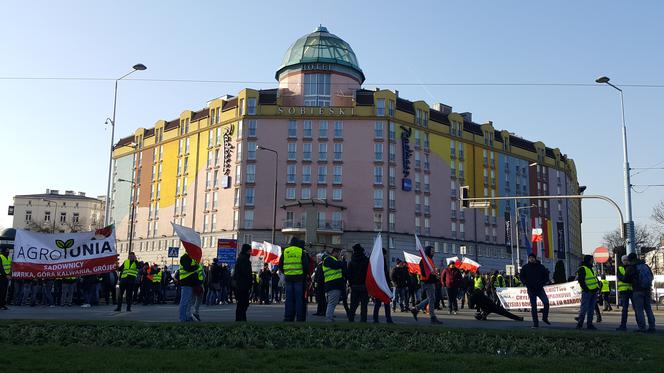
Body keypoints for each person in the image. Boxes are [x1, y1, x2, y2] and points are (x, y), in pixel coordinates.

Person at [622, 252, 656, 333]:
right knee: (648, 309)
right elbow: (651, 276)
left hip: (637, 290)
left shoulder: (632, 267)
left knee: (639, 309)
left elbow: (626, 279)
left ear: (630, 259)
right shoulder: (645, 265)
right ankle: (652, 326)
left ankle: (642, 327)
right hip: (647, 289)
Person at [279, 237, 309, 322]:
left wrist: (286, 272)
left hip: (288, 278)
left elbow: (280, 265)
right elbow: (306, 266)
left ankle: (288, 317)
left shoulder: (285, 251)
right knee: (299, 299)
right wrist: (303, 275)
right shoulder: (301, 251)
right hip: (299, 278)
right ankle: (299, 318)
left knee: (289, 299)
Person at [411, 246, 442, 324]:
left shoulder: (430, 260)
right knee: (432, 299)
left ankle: (416, 308)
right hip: (427, 282)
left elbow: (431, 271)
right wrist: (433, 276)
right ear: (428, 251)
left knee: (431, 298)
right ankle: (432, 317)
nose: (433, 252)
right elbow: (424, 272)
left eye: (433, 251)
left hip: (430, 281)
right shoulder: (424, 260)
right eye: (432, 251)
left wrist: (436, 276)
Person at [519, 253, 551, 328]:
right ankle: (535, 324)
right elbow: (522, 276)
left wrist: (544, 282)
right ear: (528, 259)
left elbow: (546, 275)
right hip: (531, 289)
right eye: (530, 258)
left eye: (532, 257)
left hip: (540, 289)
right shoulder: (525, 267)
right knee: (534, 307)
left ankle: (544, 318)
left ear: (535, 258)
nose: (531, 259)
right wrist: (525, 283)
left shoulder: (541, 267)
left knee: (546, 302)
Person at [575, 255, 599, 330]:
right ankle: (580, 323)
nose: (593, 261)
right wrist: (586, 289)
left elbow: (594, 279)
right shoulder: (583, 269)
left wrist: (598, 286)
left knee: (591, 309)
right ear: (588, 260)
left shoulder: (591, 268)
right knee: (584, 308)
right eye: (592, 260)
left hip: (593, 291)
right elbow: (581, 280)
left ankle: (589, 324)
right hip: (587, 292)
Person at [347, 243, 369, 322]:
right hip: (364, 286)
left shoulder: (351, 262)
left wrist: (351, 283)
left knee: (353, 305)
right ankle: (363, 320)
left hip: (354, 286)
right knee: (364, 305)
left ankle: (351, 319)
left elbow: (348, 274)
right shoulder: (366, 261)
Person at [322, 247, 346, 322]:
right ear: (335, 252)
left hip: (333, 285)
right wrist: (342, 260)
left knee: (332, 303)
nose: (339, 255)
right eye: (339, 253)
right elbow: (339, 265)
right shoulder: (328, 259)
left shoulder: (332, 260)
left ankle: (330, 317)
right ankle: (329, 318)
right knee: (332, 303)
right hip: (333, 285)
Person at [372, 248, 394, 324]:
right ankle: (388, 319)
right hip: (383, 285)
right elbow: (385, 274)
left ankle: (376, 319)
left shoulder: (378, 261)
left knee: (378, 304)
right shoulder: (382, 261)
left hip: (380, 285)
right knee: (386, 303)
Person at [178, 251, 201, 322]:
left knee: (188, 302)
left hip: (190, 283)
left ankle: (187, 317)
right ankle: (183, 318)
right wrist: (196, 266)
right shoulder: (185, 257)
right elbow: (188, 268)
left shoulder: (190, 257)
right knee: (184, 302)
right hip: (186, 283)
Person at [233, 244, 253, 321]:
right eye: (249, 250)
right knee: (243, 303)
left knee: (242, 303)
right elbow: (246, 273)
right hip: (243, 285)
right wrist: (250, 282)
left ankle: (241, 318)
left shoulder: (241, 258)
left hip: (240, 284)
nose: (250, 252)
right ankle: (240, 319)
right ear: (246, 250)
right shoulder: (244, 259)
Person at [615, 255, 634, 331]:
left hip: (631, 290)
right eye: (624, 260)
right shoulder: (619, 268)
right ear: (622, 261)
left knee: (635, 308)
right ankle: (623, 325)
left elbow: (624, 278)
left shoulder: (631, 267)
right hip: (624, 291)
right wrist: (628, 279)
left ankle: (641, 326)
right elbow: (621, 278)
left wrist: (626, 279)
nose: (625, 261)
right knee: (625, 309)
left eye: (626, 259)